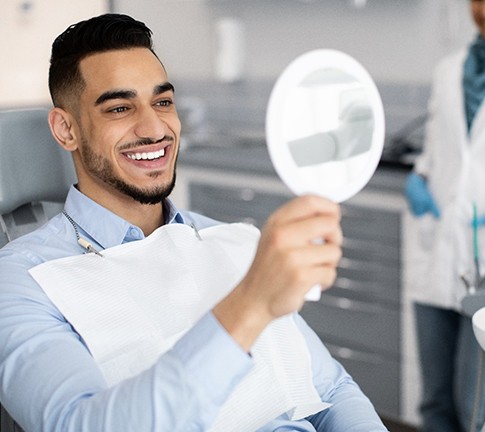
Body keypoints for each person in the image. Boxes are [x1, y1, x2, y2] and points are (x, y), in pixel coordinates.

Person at [0, 13, 387, 432]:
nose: (154, 128)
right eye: (119, 108)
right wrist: (249, 304)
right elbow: (78, 424)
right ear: (66, 129)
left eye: (163, 102)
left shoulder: (233, 241)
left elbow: (331, 392)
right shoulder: (22, 280)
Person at [404, 1, 485, 431]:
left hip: (483, 261)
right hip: (438, 250)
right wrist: (419, 179)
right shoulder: (449, 70)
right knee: (435, 404)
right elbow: (437, 155)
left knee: (476, 408)